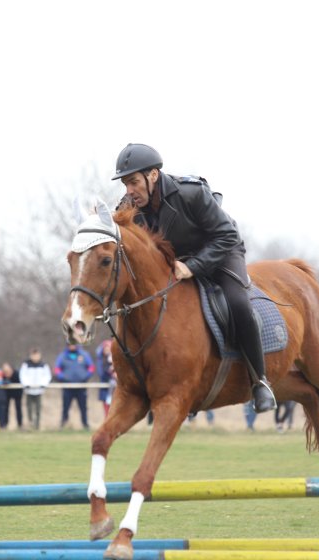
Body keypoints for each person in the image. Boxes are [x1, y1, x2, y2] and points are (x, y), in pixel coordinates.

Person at [112, 143, 276, 413]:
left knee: (238, 304)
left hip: (222, 253)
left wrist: (195, 266)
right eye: (125, 184)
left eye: (133, 182)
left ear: (153, 175)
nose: (129, 190)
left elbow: (227, 236)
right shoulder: (131, 206)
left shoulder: (191, 193)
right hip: (179, 264)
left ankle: (260, 381)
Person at [54, 343, 94, 430]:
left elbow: (91, 367)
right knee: (66, 407)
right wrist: (63, 378)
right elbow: (57, 369)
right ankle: (64, 424)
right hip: (67, 386)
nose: (72, 346)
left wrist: (85, 377)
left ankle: (85, 424)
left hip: (81, 386)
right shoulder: (62, 356)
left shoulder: (84, 355)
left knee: (83, 407)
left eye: (73, 344)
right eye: (70, 345)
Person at [19, 348, 52, 430]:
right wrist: (26, 384)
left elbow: (47, 376)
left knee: (38, 409)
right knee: (29, 408)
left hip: (39, 391)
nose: (35, 357)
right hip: (29, 390)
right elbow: (22, 375)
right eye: (34, 355)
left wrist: (43, 384)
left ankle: (37, 425)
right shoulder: (26, 364)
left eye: (37, 355)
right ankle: (30, 424)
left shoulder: (44, 365)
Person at [95, 339, 115, 417]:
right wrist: (109, 372)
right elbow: (101, 373)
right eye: (105, 348)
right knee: (106, 406)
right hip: (105, 386)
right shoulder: (100, 360)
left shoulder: (115, 359)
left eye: (108, 348)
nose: (107, 350)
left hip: (115, 386)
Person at [3, 362, 23, 429]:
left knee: (18, 408)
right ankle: (5, 424)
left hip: (17, 393)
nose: (6, 373)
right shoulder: (3, 375)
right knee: (5, 409)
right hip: (7, 393)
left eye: (7, 370)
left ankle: (20, 424)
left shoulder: (17, 374)